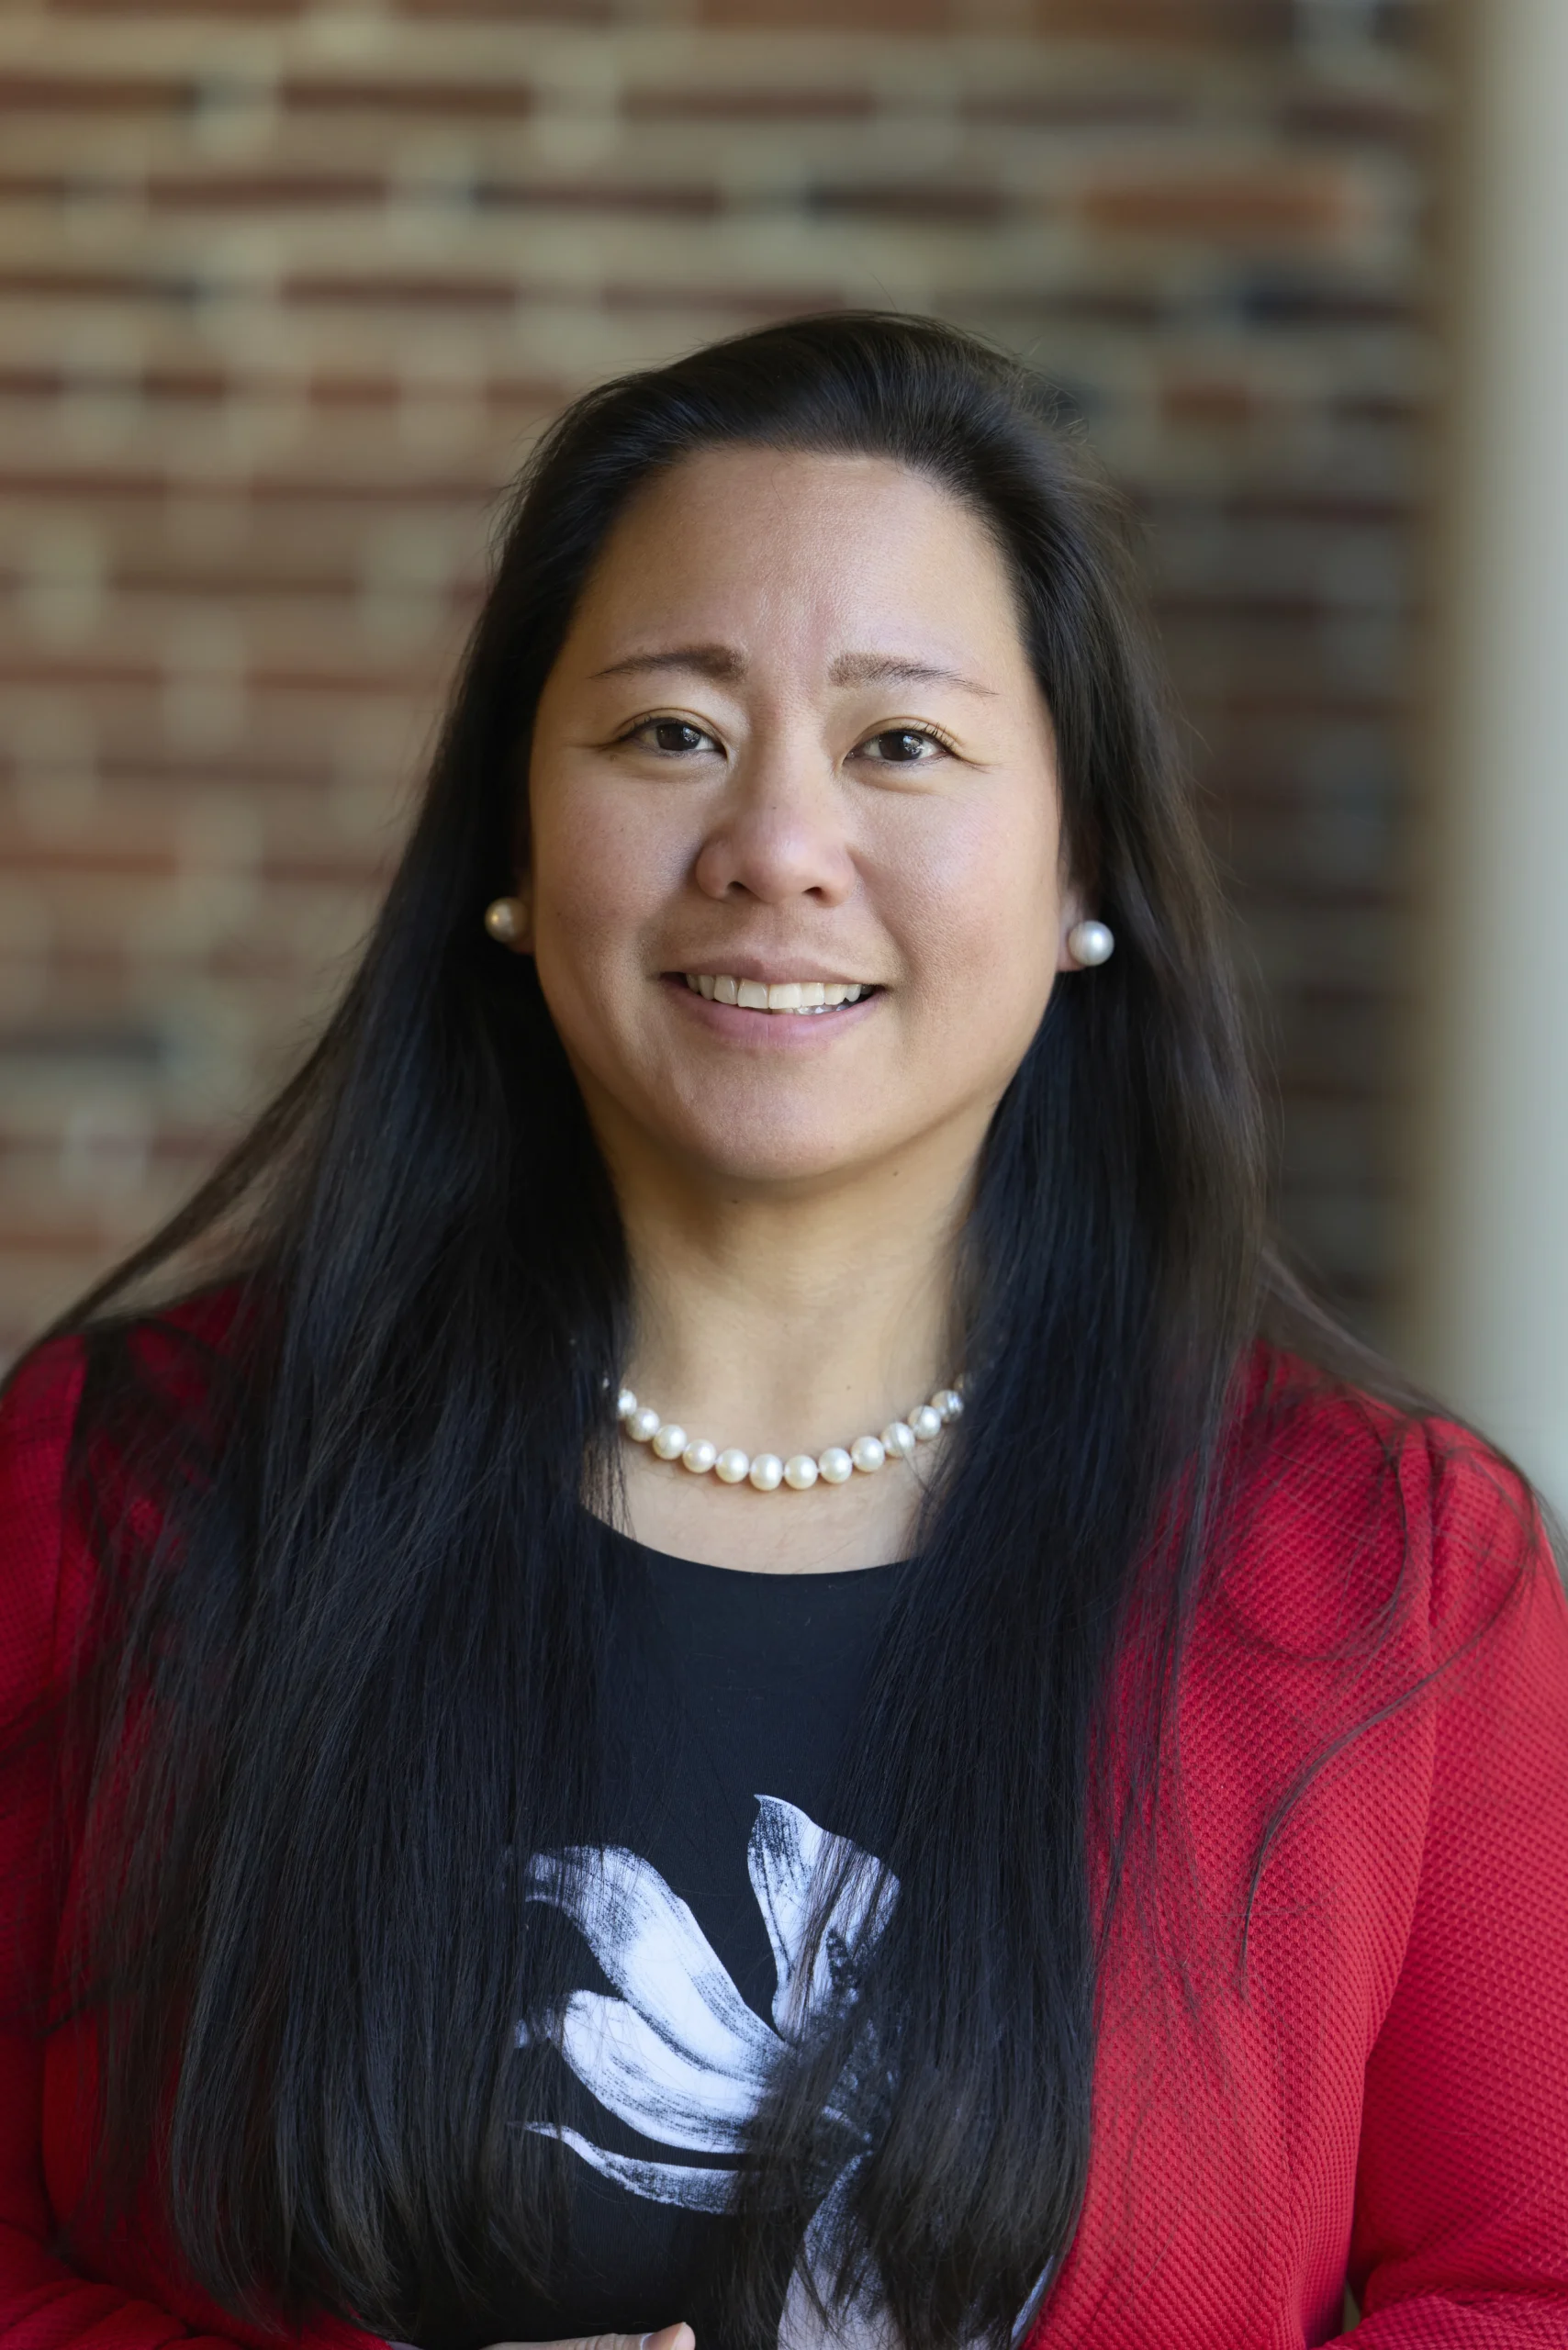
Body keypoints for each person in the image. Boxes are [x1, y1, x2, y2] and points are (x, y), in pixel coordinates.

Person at [1, 314, 1564, 2350]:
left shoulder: (1385, 1580)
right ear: (510, 841)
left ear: (1081, 866)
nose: (774, 846)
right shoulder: (112, 1494)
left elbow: (1522, 2282)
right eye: (668, 731)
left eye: (898, 742)